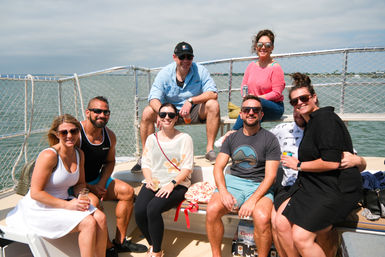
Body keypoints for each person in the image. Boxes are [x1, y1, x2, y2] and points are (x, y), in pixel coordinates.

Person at [279, 73, 363, 257]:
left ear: (314, 97)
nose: (300, 103)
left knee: (301, 236)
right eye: (295, 101)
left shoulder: (325, 119)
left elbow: (331, 162)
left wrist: (298, 164)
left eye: (304, 98)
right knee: (281, 222)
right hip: (317, 186)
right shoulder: (312, 123)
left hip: (337, 189)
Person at [7, 114, 108, 257]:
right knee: (88, 222)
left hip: (65, 201)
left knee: (101, 218)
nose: (69, 135)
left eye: (73, 131)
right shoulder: (49, 156)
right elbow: (36, 193)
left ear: (79, 132)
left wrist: (83, 196)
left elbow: (80, 184)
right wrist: (68, 205)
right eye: (64, 132)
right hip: (40, 208)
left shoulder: (79, 154)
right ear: (56, 134)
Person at [206, 95, 281, 257]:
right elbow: (218, 168)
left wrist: (252, 200)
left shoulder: (270, 139)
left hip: (259, 185)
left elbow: (270, 177)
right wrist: (224, 192)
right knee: (212, 210)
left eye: (256, 110)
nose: (251, 113)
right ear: (241, 114)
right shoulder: (232, 138)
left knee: (262, 218)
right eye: (247, 110)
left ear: (261, 114)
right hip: (233, 183)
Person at [132, 41, 220, 172]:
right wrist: (162, 112)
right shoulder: (164, 73)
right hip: (170, 112)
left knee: (213, 104)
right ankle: (146, 156)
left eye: (189, 57)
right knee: (147, 112)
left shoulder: (200, 70)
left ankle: (209, 150)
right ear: (174, 57)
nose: (185, 60)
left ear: (193, 58)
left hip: (194, 110)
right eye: (182, 57)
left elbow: (213, 93)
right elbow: (153, 98)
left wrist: (191, 101)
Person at [79, 96, 147, 256]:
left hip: (96, 180)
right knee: (94, 203)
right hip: (77, 184)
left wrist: (101, 184)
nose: (102, 115)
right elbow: (68, 169)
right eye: (97, 111)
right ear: (87, 112)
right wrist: (90, 188)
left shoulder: (109, 136)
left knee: (128, 192)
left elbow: (110, 162)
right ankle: (108, 246)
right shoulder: (76, 135)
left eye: (106, 112)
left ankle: (120, 241)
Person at [134, 103, 194, 257]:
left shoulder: (184, 138)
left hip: (178, 184)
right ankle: (153, 244)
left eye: (171, 115)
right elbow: (146, 163)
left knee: (153, 209)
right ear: (158, 118)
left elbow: (187, 168)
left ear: (176, 118)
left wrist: (171, 185)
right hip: (155, 181)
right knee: (139, 211)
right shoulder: (151, 139)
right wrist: (149, 180)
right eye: (163, 115)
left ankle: (156, 252)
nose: (167, 118)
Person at [232, 29, 285, 130]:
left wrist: (257, 98)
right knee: (251, 109)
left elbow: (277, 93)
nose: (263, 47)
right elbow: (244, 87)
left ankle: (232, 133)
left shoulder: (275, 67)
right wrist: (247, 97)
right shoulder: (251, 66)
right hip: (254, 106)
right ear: (256, 47)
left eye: (267, 45)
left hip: (274, 107)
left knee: (256, 104)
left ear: (272, 48)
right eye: (260, 44)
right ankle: (244, 140)